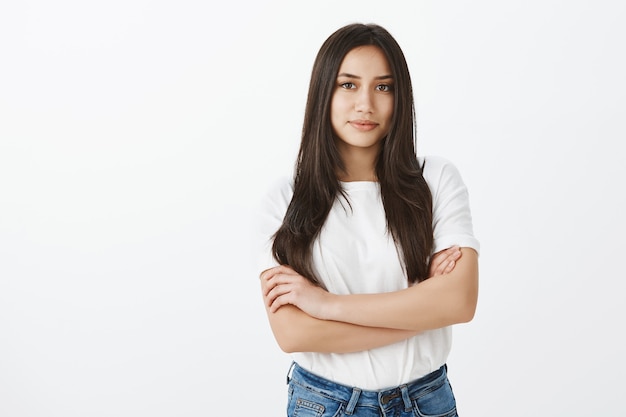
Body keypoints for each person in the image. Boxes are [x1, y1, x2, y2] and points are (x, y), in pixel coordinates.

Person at [257, 22, 479, 417]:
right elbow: (294, 334)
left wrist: (325, 304)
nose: (366, 104)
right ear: (323, 92)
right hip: (322, 404)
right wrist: (424, 309)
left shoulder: (437, 179)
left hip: (425, 402)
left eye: (383, 87)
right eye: (348, 85)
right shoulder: (286, 199)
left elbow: (459, 302)